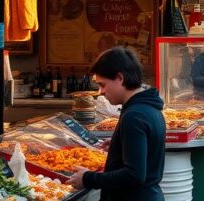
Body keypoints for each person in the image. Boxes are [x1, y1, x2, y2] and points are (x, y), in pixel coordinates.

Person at [69, 47, 165, 201]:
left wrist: (88, 178)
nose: (100, 91)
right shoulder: (149, 108)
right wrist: (118, 145)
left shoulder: (134, 115)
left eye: (103, 84)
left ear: (120, 78)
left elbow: (134, 175)